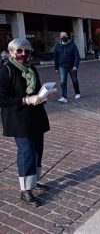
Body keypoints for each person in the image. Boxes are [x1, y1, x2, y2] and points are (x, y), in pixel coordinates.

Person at [0, 38, 51, 207]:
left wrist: (43, 95)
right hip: (19, 119)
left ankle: (34, 181)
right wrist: (26, 100)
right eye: (19, 51)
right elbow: (2, 98)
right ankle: (25, 190)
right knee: (26, 152)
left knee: (38, 150)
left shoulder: (31, 68)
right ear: (12, 52)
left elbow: (36, 90)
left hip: (36, 116)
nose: (23, 54)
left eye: (26, 51)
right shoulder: (6, 70)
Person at [54, 32, 81, 103]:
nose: (63, 37)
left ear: (67, 36)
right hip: (62, 66)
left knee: (74, 80)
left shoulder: (72, 45)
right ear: (60, 37)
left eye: (64, 36)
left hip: (72, 66)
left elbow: (77, 56)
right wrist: (56, 68)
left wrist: (75, 65)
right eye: (62, 36)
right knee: (63, 81)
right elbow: (55, 57)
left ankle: (77, 92)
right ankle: (64, 97)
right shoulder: (57, 46)